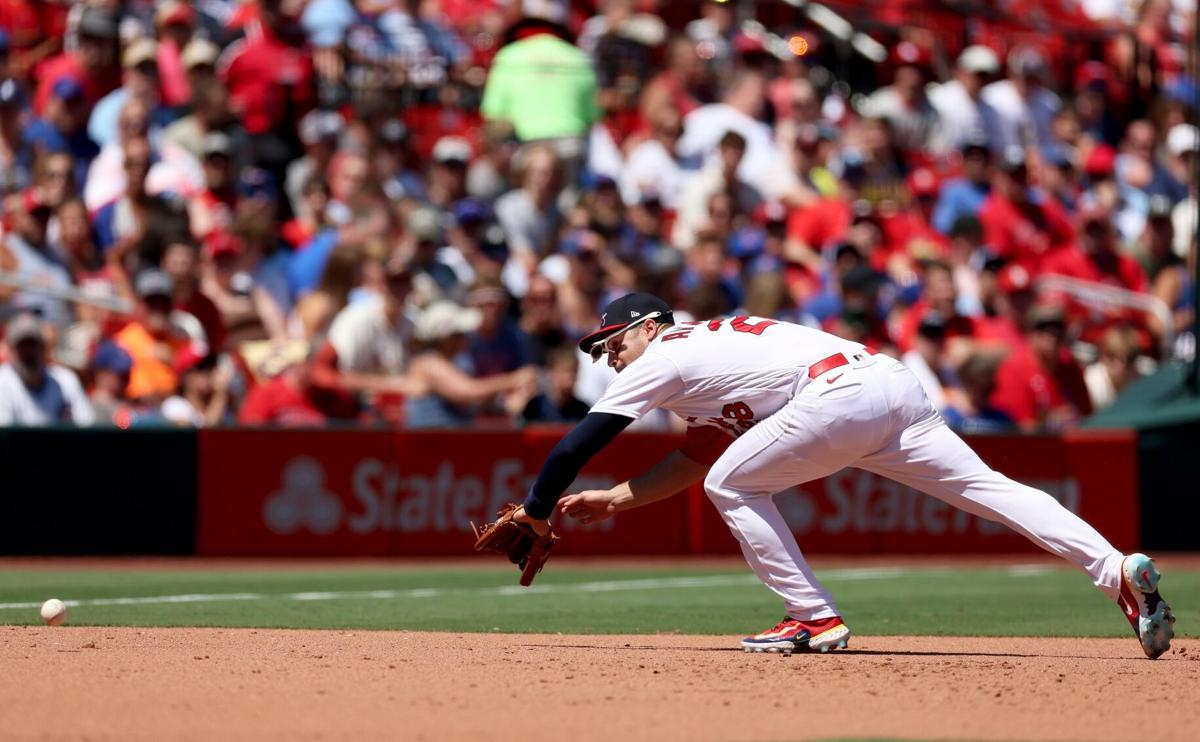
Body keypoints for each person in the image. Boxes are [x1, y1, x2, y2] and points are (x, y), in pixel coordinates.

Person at [506, 292, 1175, 659]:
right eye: (601, 350)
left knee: (732, 487)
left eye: (613, 341)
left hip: (837, 397)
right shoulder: (702, 360)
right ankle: (1116, 570)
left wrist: (537, 505)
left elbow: (578, 442)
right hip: (886, 384)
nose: (610, 357)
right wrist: (618, 500)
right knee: (990, 490)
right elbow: (695, 456)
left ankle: (812, 617)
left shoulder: (666, 353)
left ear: (650, 327)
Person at [0, 312, 95, 426]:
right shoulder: (3, 382)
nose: (29, 352)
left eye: (33, 345)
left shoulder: (65, 380)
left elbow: (86, 425)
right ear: (11, 350)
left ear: (43, 348)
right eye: (22, 346)